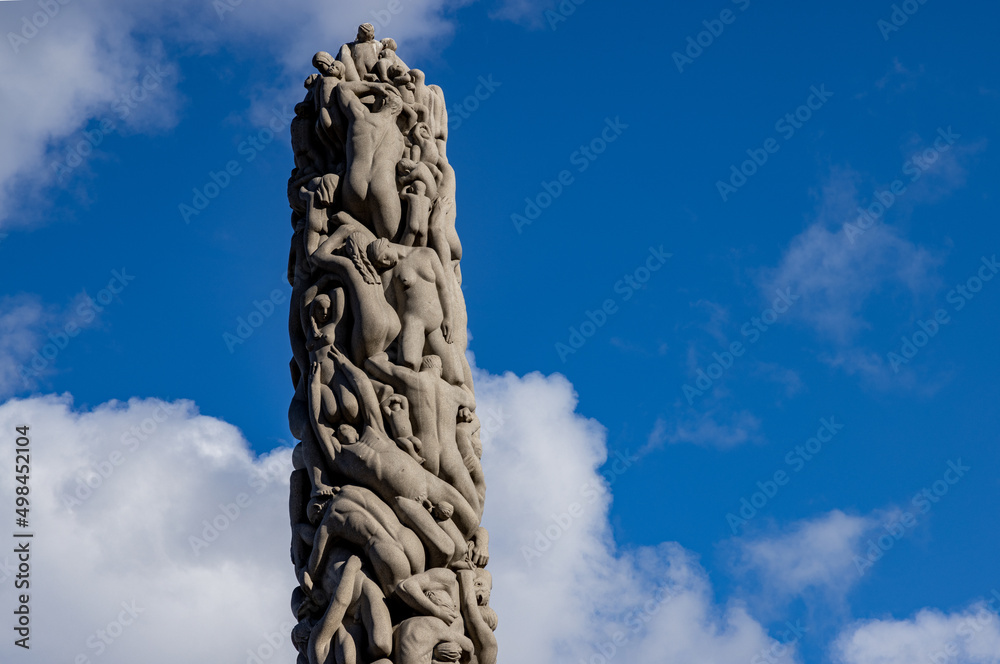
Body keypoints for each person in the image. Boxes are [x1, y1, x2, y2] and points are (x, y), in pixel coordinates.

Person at [366, 354, 480, 519]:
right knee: (472, 508)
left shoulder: (411, 378)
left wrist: (387, 354)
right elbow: (471, 401)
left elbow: (372, 363)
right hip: (451, 456)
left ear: (421, 365)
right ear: (440, 370)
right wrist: (460, 387)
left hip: (423, 451)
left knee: (419, 500)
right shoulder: (454, 392)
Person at [366, 239, 462, 384]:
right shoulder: (388, 271)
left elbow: (443, 287)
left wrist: (448, 317)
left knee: (455, 377)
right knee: (408, 364)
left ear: (387, 245)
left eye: (384, 257)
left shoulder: (427, 253)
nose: (385, 263)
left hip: (437, 322)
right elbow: (389, 304)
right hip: (413, 322)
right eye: (380, 263)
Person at [335, 81, 405, 239]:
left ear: (384, 101)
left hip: (354, 182)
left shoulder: (363, 117)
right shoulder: (400, 138)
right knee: (390, 240)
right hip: (384, 185)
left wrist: (373, 86)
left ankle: (349, 224)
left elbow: (343, 88)